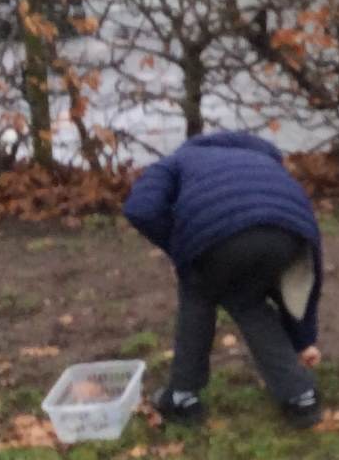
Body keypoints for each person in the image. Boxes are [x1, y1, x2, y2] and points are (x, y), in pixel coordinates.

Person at [122, 131, 324, 428]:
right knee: (247, 301)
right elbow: (299, 282)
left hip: (218, 236)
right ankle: (301, 397)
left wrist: (181, 249)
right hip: (293, 235)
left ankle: (182, 395)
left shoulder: (179, 160)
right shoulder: (267, 162)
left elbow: (140, 208)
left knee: (198, 293)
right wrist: (304, 339)